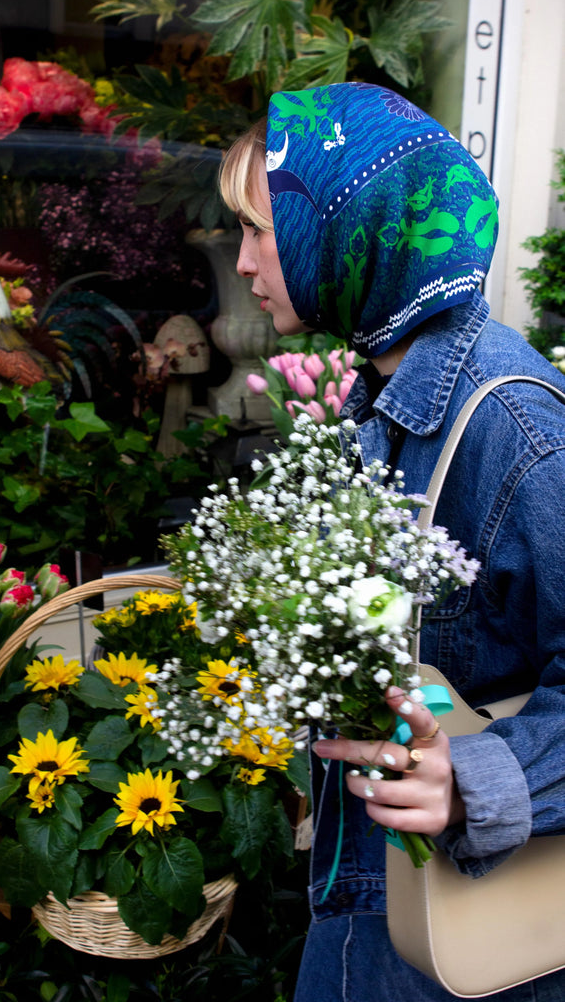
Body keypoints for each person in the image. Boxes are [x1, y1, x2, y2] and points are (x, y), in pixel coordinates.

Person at [219, 82, 565, 1002]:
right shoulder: (384, 401)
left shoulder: (512, 424)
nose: (244, 258)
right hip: (370, 922)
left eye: (259, 226)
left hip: (470, 951)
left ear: (343, 223)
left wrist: (481, 780)